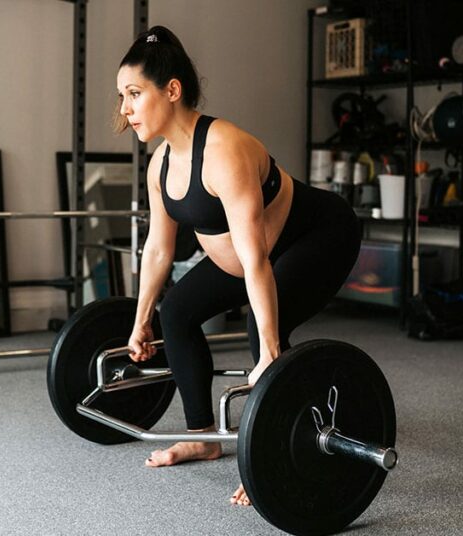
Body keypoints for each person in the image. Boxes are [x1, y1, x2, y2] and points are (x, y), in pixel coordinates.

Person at [117, 26, 362, 506]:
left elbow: (255, 258)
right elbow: (159, 250)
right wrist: (140, 319)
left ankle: (276, 451)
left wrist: (270, 351)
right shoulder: (160, 164)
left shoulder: (225, 150)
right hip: (255, 257)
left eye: (133, 94)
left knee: (263, 325)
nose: (124, 109)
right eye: (121, 96)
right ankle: (204, 436)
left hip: (318, 235)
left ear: (172, 90)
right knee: (178, 313)